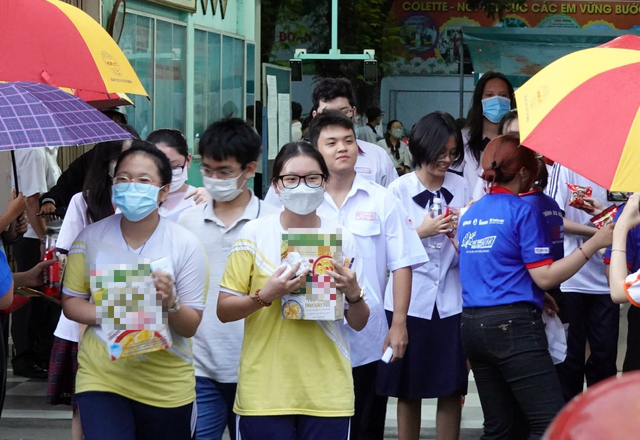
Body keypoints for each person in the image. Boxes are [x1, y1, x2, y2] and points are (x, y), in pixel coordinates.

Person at [458, 134, 613, 438]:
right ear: (526, 173)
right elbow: (545, 276)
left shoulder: (471, 212)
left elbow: (493, 268)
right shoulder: (523, 210)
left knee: (499, 427)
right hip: (514, 328)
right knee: (550, 423)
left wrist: (536, 295)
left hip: (472, 326)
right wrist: (593, 243)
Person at [218, 141, 370, 440]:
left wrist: (354, 292)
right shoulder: (254, 234)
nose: (302, 186)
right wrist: (266, 295)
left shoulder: (341, 238)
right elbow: (224, 310)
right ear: (276, 184)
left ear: (324, 182)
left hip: (328, 391)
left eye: (312, 178)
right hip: (265, 390)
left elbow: (359, 321)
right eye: (291, 179)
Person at [61, 142, 209, 440]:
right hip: (102, 379)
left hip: (166, 385)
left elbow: (191, 324)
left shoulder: (185, 243)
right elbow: (71, 303)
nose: (132, 187)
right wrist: (114, 312)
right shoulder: (89, 238)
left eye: (143, 181)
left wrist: (171, 303)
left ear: (163, 191)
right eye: (123, 179)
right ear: (112, 184)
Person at [306, 111, 428, 440]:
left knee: (365, 425)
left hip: (368, 335)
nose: (341, 148)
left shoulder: (381, 198)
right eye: (331, 142)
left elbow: (403, 261)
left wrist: (399, 322)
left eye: (348, 141)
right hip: (310, 334)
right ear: (315, 149)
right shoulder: (302, 199)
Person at [177, 118, 279, 440]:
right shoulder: (187, 220)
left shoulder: (271, 222)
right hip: (198, 367)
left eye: (224, 172)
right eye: (207, 170)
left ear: (250, 169)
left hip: (256, 367)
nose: (214, 179)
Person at [377, 112, 468, 440]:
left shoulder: (461, 185)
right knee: (408, 386)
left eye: (452, 153)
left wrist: (458, 238)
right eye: (439, 152)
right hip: (409, 301)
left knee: (450, 385)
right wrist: (422, 231)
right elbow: (387, 250)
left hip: (450, 297)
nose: (446, 160)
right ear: (421, 148)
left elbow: (469, 242)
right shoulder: (398, 190)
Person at [545, 163, 619, 402]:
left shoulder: (622, 168)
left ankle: (602, 424)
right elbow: (553, 218)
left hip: (608, 279)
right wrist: (596, 236)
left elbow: (627, 218)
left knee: (605, 359)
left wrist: (607, 223)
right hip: (570, 278)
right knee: (570, 360)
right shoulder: (564, 165)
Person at [263, 78, 398, 206]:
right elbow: (272, 213)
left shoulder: (377, 156)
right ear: (315, 116)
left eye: (343, 111)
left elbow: (396, 203)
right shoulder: (295, 159)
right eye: (327, 113)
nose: (335, 118)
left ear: (353, 112)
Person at [11, 145, 62, 379]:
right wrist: (45, 240)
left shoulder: (48, 150)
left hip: (41, 234)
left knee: (43, 300)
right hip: (34, 237)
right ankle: (26, 357)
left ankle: (40, 355)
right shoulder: (33, 151)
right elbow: (31, 202)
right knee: (31, 298)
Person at [39, 124, 140, 216]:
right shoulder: (83, 201)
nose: (126, 166)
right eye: (118, 159)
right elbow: (67, 183)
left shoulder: (146, 195)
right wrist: (50, 200)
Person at [452, 72, 514, 193]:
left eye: (503, 95)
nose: (496, 100)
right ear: (479, 99)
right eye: (489, 95)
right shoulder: (463, 139)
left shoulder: (518, 140)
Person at [146, 129, 208, 221]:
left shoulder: (200, 200)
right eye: (159, 167)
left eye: (174, 166)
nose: (167, 174)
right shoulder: (140, 199)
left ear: (188, 160)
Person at [471, 109, 519, 200]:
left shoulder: (544, 170)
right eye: (510, 136)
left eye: (519, 136)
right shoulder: (491, 168)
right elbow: (478, 202)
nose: (516, 141)